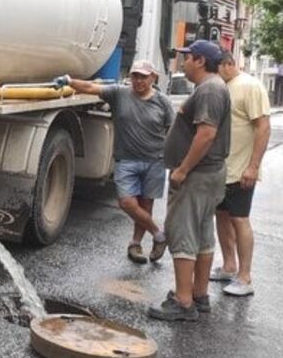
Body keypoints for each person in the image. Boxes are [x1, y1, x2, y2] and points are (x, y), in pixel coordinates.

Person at [57, 60, 175, 263]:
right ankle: (158, 233)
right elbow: (91, 87)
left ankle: (135, 244)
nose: (138, 80)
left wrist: (175, 160)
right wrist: (69, 81)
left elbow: (172, 129)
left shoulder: (162, 101)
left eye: (143, 76)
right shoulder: (119, 93)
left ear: (153, 78)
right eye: (135, 75)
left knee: (146, 204)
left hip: (154, 161)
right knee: (127, 202)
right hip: (126, 160)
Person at [148, 40, 230, 321]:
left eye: (188, 57)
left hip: (197, 175)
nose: (183, 62)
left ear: (200, 61)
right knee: (202, 234)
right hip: (209, 175)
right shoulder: (213, 87)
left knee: (182, 232)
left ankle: (183, 302)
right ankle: (198, 294)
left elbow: (206, 135)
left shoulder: (209, 90)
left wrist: (182, 170)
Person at [212, 50, 271, 296]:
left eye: (215, 67)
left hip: (241, 170)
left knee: (239, 219)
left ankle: (245, 277)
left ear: (227, 64)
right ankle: (229, 266)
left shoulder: (250, 86)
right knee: (221, 216)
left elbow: (263, 127)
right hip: (222, 169)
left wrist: (253, 166)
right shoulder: (223, 86)